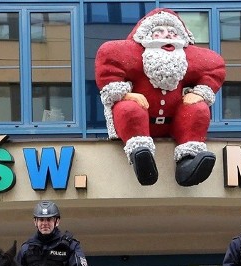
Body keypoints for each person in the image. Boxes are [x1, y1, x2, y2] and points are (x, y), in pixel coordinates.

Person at [95, 8, 226, 187]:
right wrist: (126, 94)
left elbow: (214, 67)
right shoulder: (133, 56)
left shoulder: (187, 59)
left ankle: (188, 161)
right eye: (160, 32)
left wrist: (199, 92)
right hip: (142, 120)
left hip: (174, 123)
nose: (167, 37)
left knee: (198, 108)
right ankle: (141, 158)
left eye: (172, 33)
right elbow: (108, 69)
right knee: (127, 107)